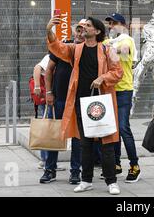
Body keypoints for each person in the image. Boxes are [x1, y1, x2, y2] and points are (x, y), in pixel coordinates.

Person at [46, 15, 124, 195]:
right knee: (85, 144)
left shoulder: (107, 49)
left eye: (88, 26)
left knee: (107, 143)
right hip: (81, 103)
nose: (84, 28)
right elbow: (58, 48)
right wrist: (49, 30)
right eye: (82, 26)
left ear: (97, 31)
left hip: (101, 102)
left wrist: (102, 78)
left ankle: (111, 182)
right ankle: (86, 180)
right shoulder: (76, 49)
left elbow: (117, 72)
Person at [39, 20, 86, 184]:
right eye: (78, 30)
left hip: (80, 100)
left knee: (78, 137)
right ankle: (49, 170)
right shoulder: (64, 47)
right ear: (74, 32)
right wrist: (49, 92)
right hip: (60, 99)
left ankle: (75, 172)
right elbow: (49, 70)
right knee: (56, 134)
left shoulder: (90, 50)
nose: (80, 34)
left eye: (83, 31)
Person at [105, 12, 141, 183]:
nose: (110, 27)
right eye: (109, 24)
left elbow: (125, 52)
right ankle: (116, 164)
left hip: (124, 89)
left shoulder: (127, 40)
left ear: (120, 24)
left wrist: (107, 48)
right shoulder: (111, 41)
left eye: (112, 23)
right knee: (114, 129)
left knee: (123, 127)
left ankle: (134, 165)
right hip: (110, 89)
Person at [33, 54, 50, 169]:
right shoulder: (50, 56)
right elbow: (37, 67)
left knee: (48, 127)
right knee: (48, 127)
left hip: (51, 95)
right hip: (48, 96)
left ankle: (46, 160)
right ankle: (45, 160)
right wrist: (37, 86)